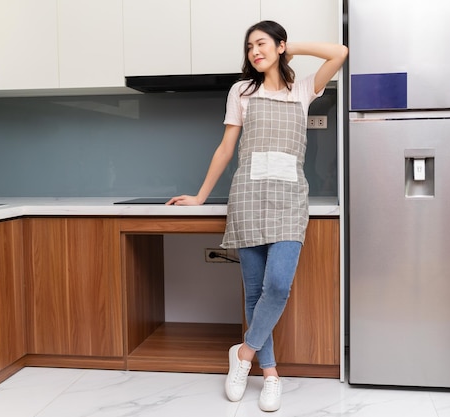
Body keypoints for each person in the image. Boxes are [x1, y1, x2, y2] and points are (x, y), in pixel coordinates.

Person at [167, 20, 347, 412]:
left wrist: (290, 47)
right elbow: (226, 147)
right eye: (249, 47)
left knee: (278, 286)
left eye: (262, 44)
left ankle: (243, 353)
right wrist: (200, 195)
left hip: (289, 200)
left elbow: (340, 53)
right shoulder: (242, 91)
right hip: (247, 197)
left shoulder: (302, 89)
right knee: (254, 292)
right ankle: (270, 375)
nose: (254, 52)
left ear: (280, 46)